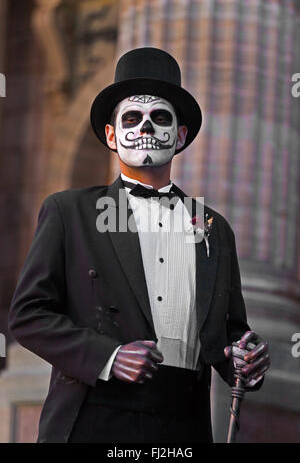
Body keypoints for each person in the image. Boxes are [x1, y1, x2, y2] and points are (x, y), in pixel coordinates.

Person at [8, 47, 270, 443]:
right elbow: (28, 315)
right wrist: (109, 357)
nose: (146, 127)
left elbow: (229, 335)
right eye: (132, 117)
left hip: (184, 425)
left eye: (160, 118)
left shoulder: (214, 229)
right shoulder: (69, 211)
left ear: (180, 136)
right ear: (111, 135)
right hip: (94, 416)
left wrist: (245, 360)